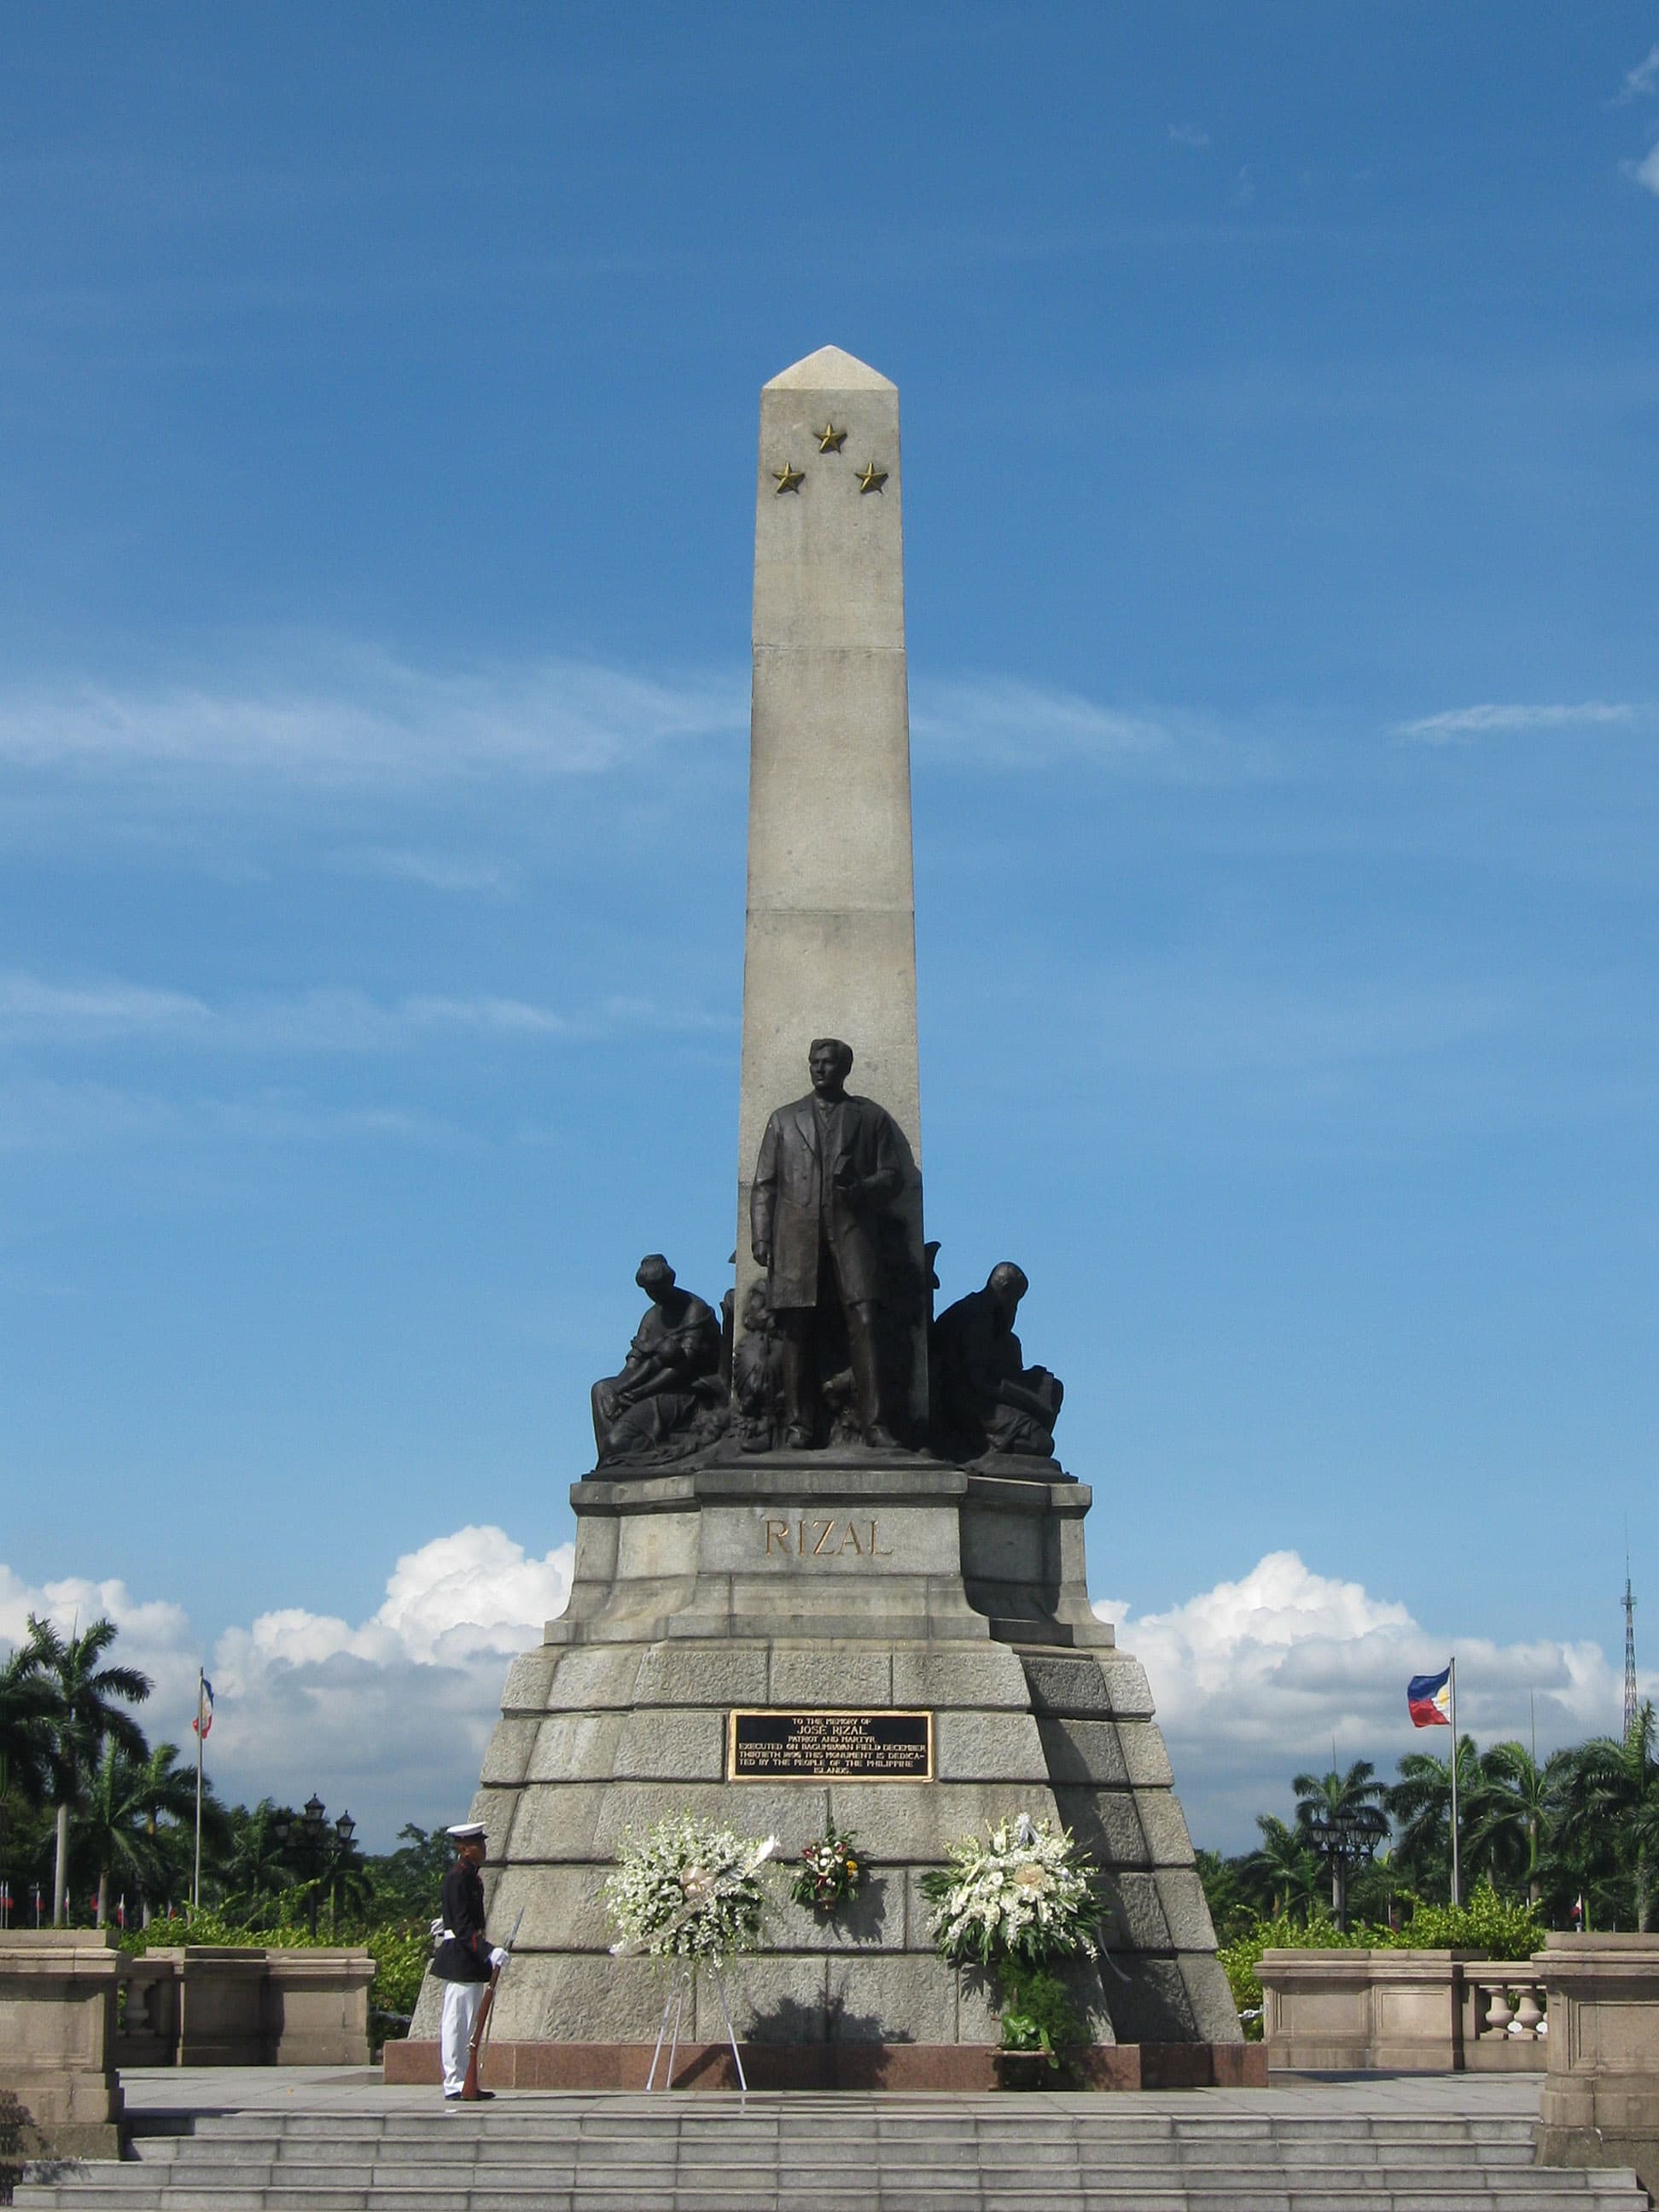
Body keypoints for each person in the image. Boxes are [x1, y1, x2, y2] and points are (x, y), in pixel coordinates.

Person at [750, 1038, 907, 1449]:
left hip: (853, 1234)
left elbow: (893, 1176)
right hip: (796, 1240)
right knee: (796, 1331)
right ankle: (799, 1425)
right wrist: (762, 1236)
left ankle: (876, 1424)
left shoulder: (870, 1118)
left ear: (845, 1069)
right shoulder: (784, 1120)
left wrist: (860, 1190)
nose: (820, 1069)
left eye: (829, 1063)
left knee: (867, 1323)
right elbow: (764, 1184)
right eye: (815, 1063)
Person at [590, 1255, 723, 1466]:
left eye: (657, 1288)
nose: (654, 1295)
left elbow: (683, 1367)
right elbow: (633, 1364)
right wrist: (618, 1389)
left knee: (617, 1441)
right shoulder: (651, 1316)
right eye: (649, 1290)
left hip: (687, 1391)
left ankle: (622, 1455)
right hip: (652, 1387)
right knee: (601, 1390)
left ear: (669, 1282)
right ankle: (612, 1460)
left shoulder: (694, 1309)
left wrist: (637, 1392)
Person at [931, 1261, 1063, 1464]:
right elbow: (982, 1382)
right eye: (1015, 1300)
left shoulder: (984, 1313)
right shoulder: (977, 1320)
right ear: (1005, 1291)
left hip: (978, 1398)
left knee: (1052, 1388)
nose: (1015, 1307)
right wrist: (1033, 1400)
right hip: (966, 1406)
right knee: (1042, 1443)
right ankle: (990, 1453)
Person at [432, 1820, 508, 2101]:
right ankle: (454, 2081)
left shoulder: (471, 1877)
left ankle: (466, 2081)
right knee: (456, 2023)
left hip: (470, 1962)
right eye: (478, 1845)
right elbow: (463, 1928)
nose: (483, 1849)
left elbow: (459, 1917)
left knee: (469, 2026)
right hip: (461, 1960)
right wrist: (488, 1951)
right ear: (464, 1849)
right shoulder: (457, 1878)